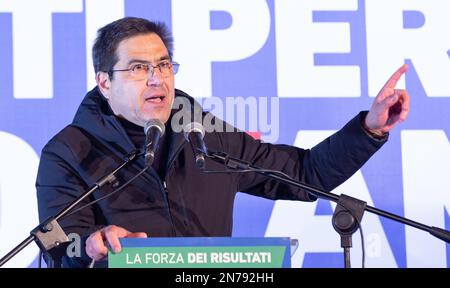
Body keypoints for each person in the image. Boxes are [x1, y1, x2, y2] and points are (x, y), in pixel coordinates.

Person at [36, 17, 410, 268]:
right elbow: (58, 246)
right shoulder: (69, 152)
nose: (157, 79)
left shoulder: (202, 134)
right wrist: (89, 244)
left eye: (164, 65)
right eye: (138, 68)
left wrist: (369, 128)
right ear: (105, 82)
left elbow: (304, 173)